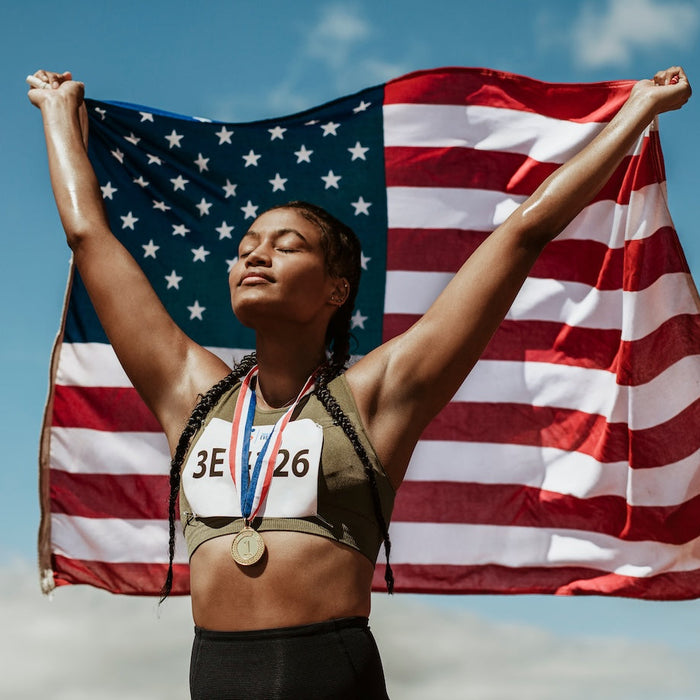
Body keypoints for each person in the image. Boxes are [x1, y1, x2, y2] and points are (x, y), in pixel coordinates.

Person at [28, 66, 691, 699]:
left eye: (286, 245)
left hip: (330, 672)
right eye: (245, 246)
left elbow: (521, 235)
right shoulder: (188, 391)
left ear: (337, 289)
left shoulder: (378, 394)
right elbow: (91, 238)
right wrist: (58, 114)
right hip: (215, 675)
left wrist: (635, 114)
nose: (254, 255)